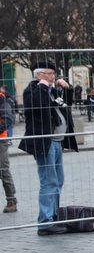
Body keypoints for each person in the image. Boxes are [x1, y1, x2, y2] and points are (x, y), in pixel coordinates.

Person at [19, 62, 78, 235]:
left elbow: (66, 105)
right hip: (44, 142)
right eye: (49, 73)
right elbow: (36, 106)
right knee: (48, 181)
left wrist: (67, 90)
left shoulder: (52, 91)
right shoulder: (33, 90)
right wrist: (44, 88)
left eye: (53, 73)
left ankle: (53, 215)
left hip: (57, 141)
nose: (53, 76)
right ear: (39, 75)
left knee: (58, 180)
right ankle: (45, 222)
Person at [0, 85, 17, 213]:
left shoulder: (1, 99)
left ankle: (11, 200)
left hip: (0, 140)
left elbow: (8, 119)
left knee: (3, 170)